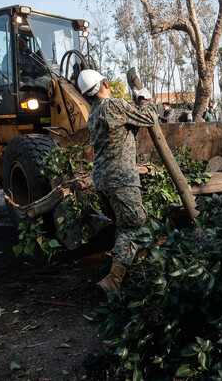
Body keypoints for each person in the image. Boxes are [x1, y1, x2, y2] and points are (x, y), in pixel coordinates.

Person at [77, 69, 158, 298]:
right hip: (121, 179)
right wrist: (146, 100)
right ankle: (114, 280)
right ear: (104, 83)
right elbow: (150, 118)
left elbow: (125, 125)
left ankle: (139, 267)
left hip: (102, 181)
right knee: (133, 225)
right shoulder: (114, 106)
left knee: (124, 227)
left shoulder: (93, 113)